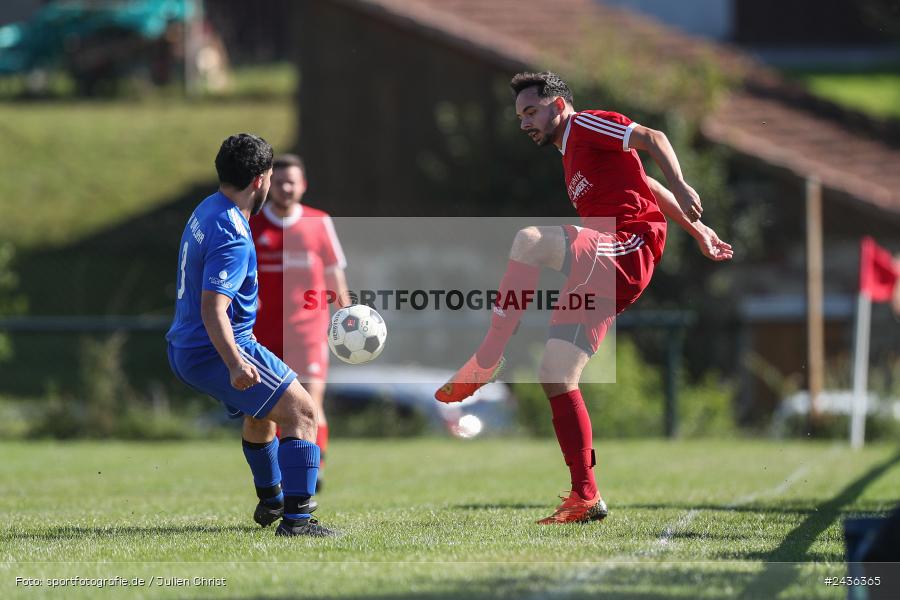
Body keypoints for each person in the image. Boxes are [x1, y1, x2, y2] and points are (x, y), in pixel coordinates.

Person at [435, 72, 733, 524]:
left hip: (628, 244)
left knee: (529, 240)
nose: (523, 123)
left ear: (558, 105)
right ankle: (585, 496)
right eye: (519, 116)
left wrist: (685, 183)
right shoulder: (571, 154)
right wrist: (698, 231)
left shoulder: (586, 125)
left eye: (530, 112)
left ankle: (487, 358)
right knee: (555, 374)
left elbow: (651, 137)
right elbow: (643, 184)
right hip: (608, 259)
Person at [166, 133, 337, 537]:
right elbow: (214, 308)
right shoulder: (232, 231)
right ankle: (297, 521)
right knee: (303, 413)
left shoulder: (208, 208)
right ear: (262, 179)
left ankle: (272, 498)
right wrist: (235, 362)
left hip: (187, 345)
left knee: (261, 414)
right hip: (218, 346)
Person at [250, 153, 349, 490]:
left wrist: (346, 320)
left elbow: (335, 278)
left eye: (292, 181)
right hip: (261, 335)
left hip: (308, 332)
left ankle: (314, 465)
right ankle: (278, 471)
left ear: (303, 185)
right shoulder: (253, 223)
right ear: (267, 185)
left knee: (310, 401)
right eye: (279, 181)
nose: (286, 187)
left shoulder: (319, 222)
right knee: (264, 411)